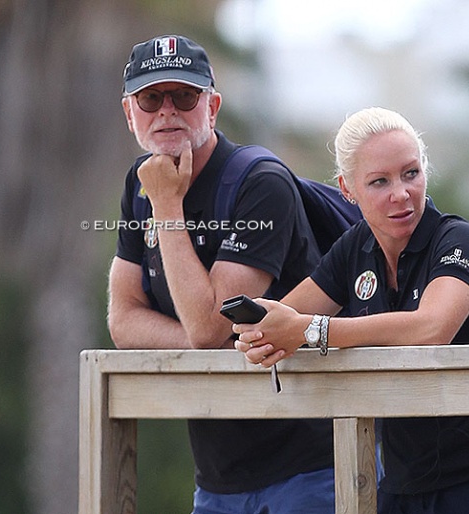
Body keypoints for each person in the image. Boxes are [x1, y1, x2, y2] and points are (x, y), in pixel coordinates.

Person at [233, 107, 469, 514]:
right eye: (379, 181)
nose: (401, 193)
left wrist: (311, 332)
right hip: (402, 487)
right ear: (348, 189)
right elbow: (288, 315)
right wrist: (260, 333)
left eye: (411, 173)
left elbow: (432, 328)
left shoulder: (457, 238)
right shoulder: (354, 247)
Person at [107, 34, 338, 513]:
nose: (167, 111)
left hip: (314, 468)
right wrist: (200, 340)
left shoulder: (260, 182)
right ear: (130, 113)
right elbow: (123, 319)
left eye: (184, 96)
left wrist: (167, 206)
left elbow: (212, 328)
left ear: (211, 106)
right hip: (218, 480)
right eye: (151, 98)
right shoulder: (141, 183)